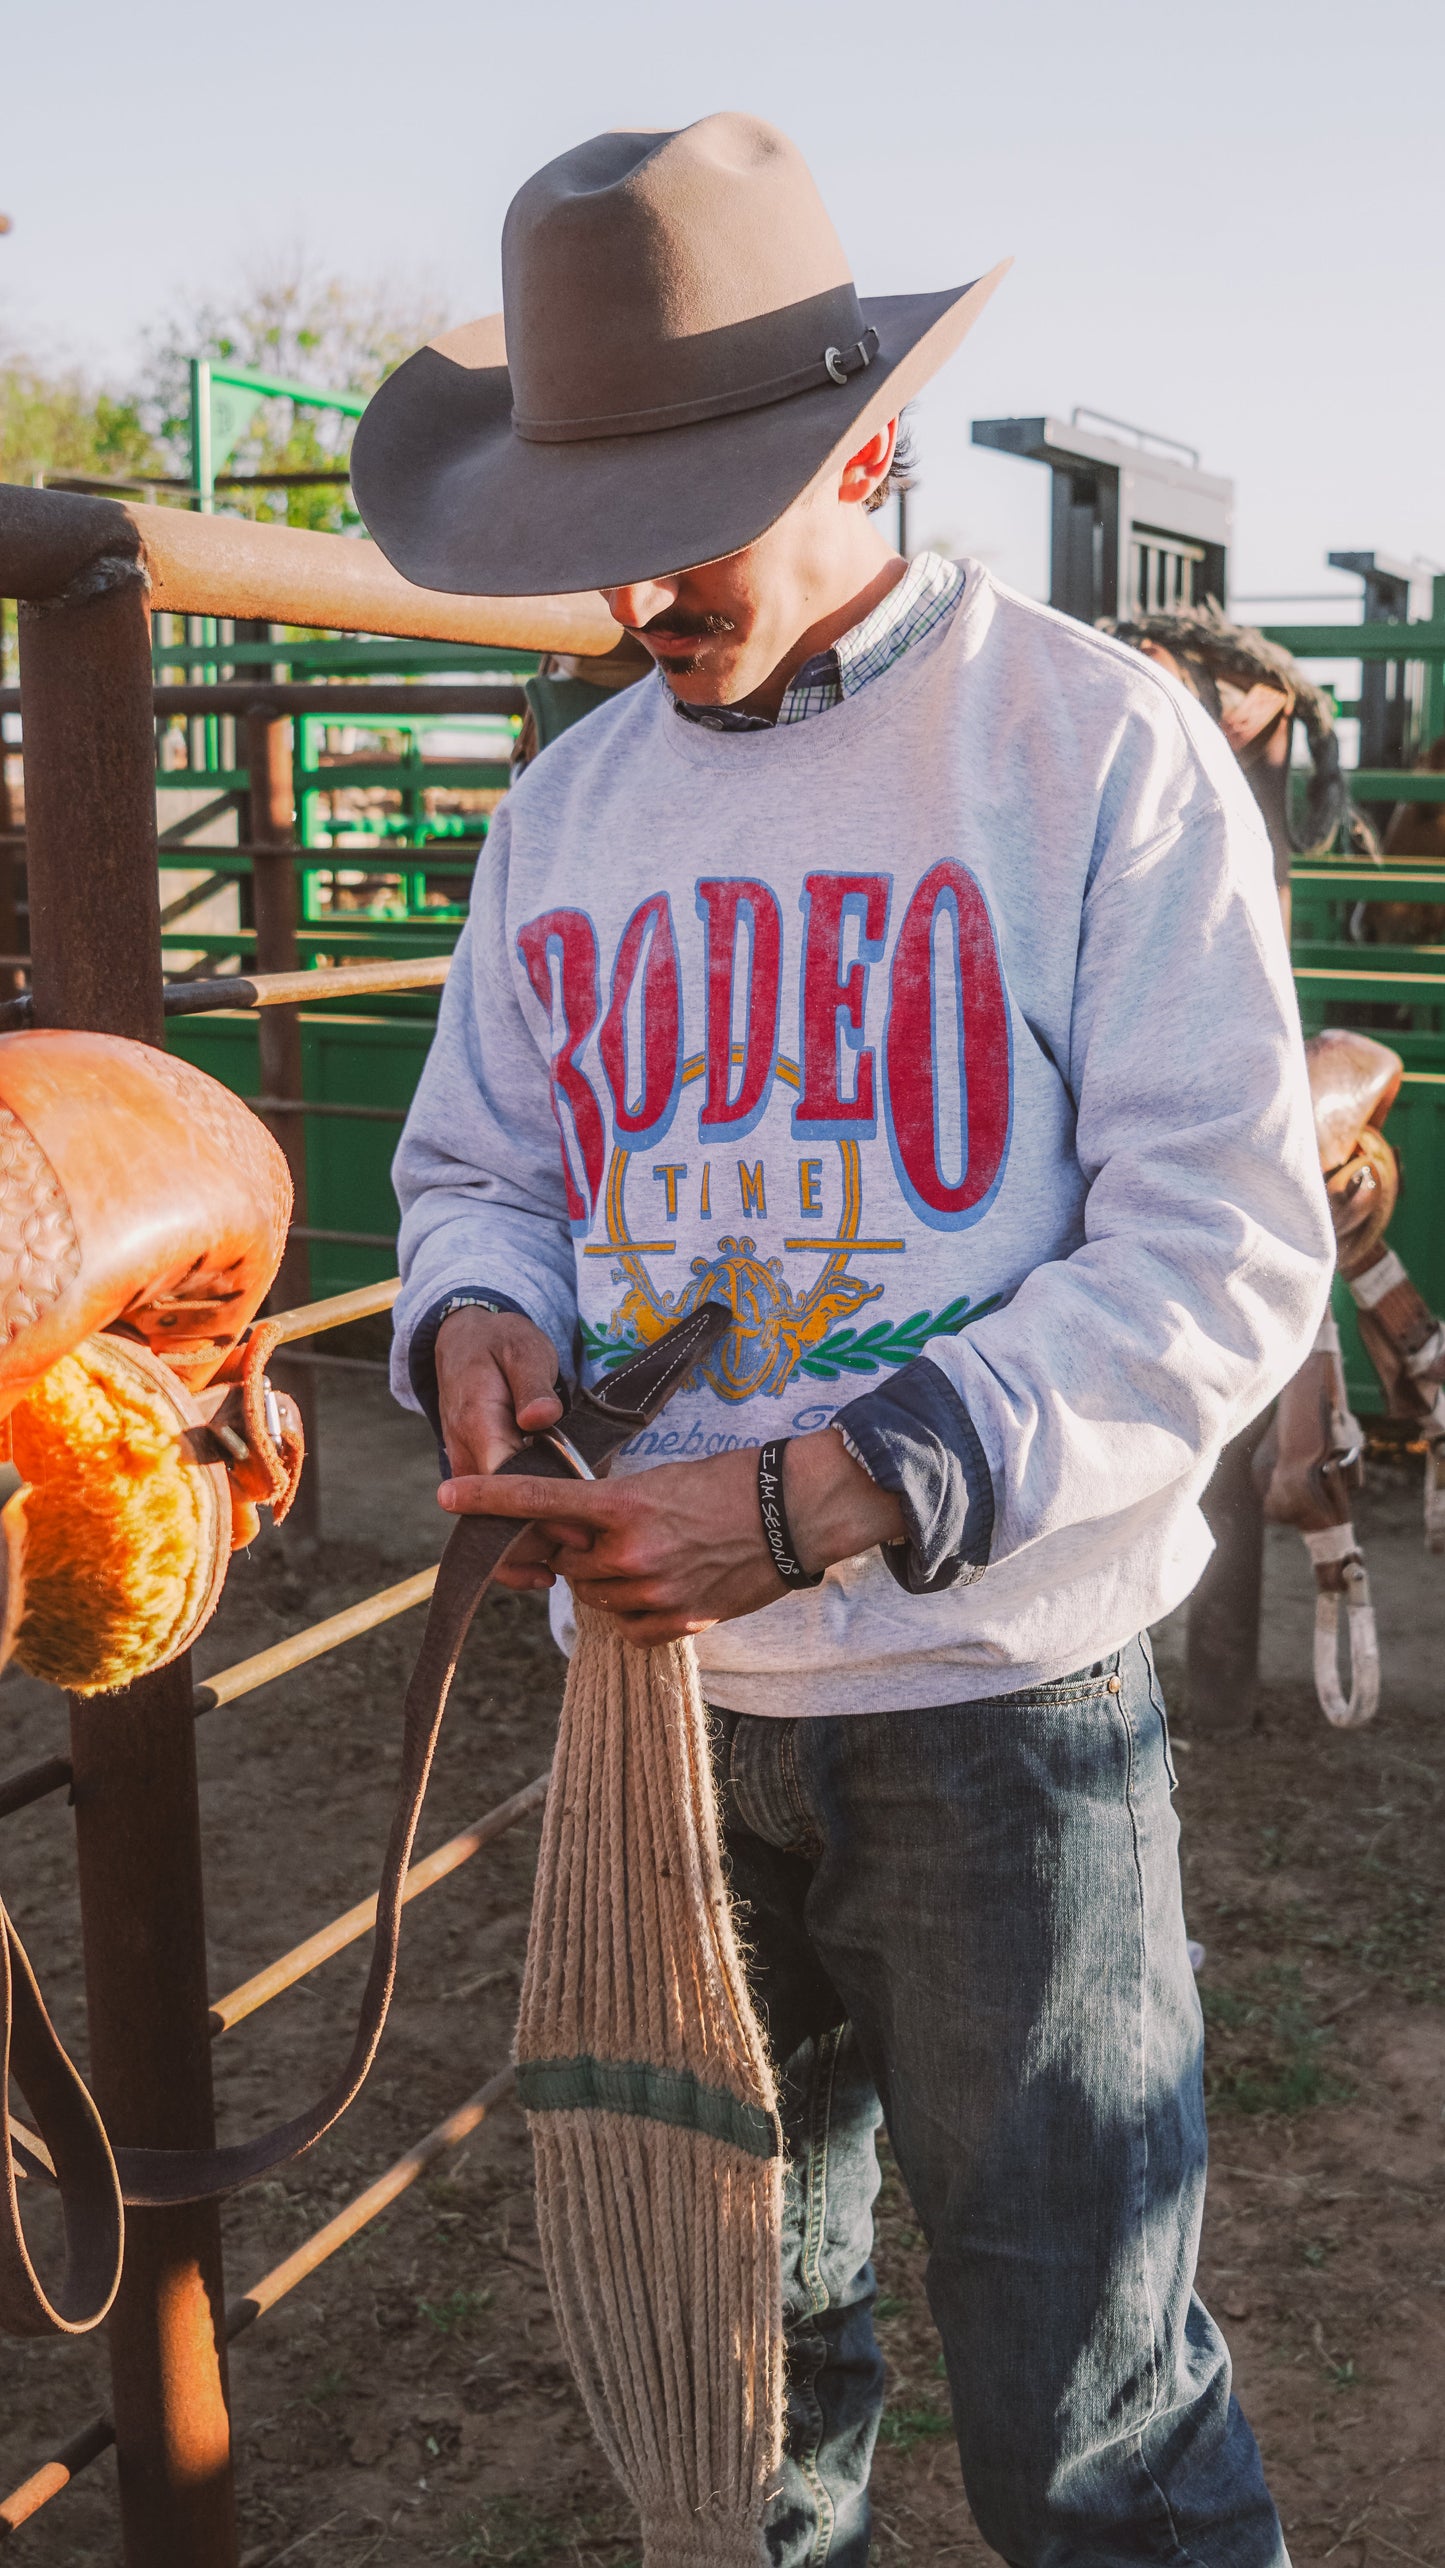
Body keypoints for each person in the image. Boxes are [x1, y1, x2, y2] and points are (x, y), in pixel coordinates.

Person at [352, 113, 1332, 2568]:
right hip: (670, 1723)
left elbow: (1220, 1244)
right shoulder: (568, 816)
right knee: (740, 2395)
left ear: (864, 447)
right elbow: (484, 1164)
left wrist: (819, 1495)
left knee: (1090, 2412)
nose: (627, 595)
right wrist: (483, 1326)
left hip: (995, 1711)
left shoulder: (1089, 752)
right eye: (591, 529)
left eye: (682, 518)